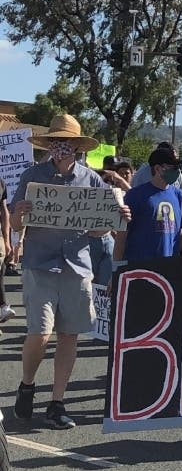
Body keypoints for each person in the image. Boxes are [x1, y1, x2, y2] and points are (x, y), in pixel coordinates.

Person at [9, 114, 131, 430]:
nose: (61, 147)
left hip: (77, 268)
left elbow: (97, 231)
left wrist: (117, 217)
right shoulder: (32, 176)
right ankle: (27, 383)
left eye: (67, 142)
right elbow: (15, 224)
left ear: (77, 146)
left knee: (69, 334)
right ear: (49, 144)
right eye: (56, 141)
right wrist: (18, 215)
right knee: (41, 331)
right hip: (40, 265)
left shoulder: (91, 181)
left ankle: (57, 402)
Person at [114, 145, 182, 263]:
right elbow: (122, 235)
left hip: (168, 269)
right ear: (157, 169)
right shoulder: (135, 196)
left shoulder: (180, 196)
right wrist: (116, 267)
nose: (177, 170)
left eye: (179, 167)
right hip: (138, 268)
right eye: (173, 167)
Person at [0, 172, 15, 322]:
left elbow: (4, 211)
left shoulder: (1, 182)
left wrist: (6, 241)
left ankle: (2, 306)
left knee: (0, 270)